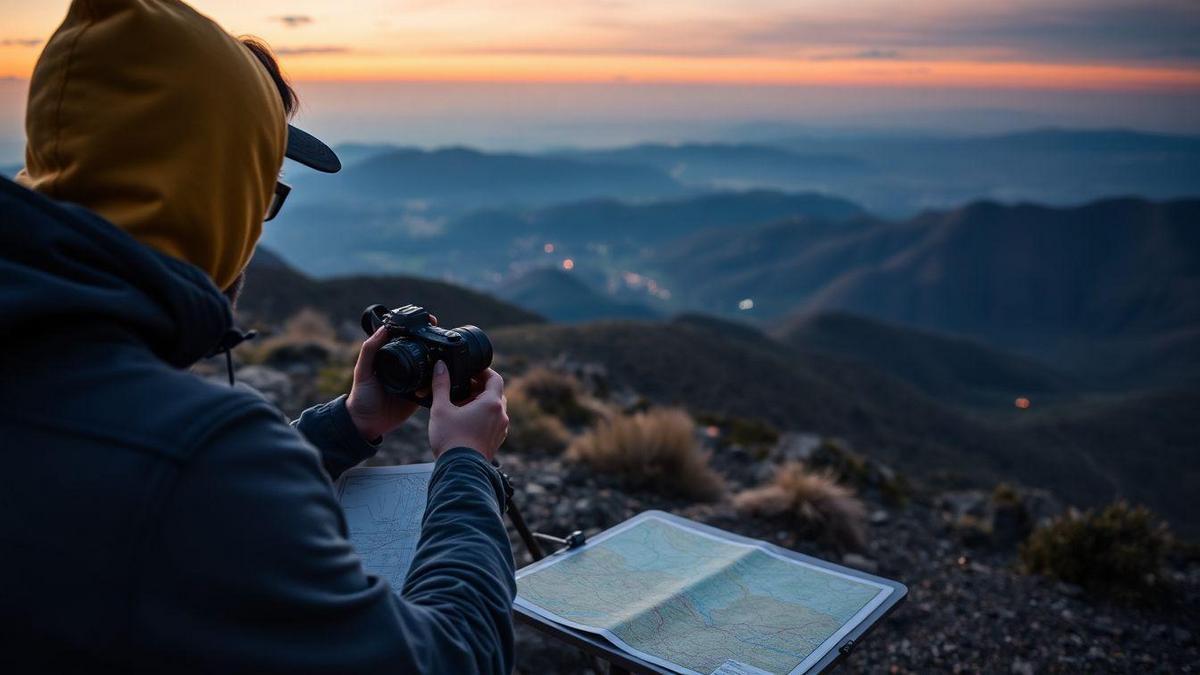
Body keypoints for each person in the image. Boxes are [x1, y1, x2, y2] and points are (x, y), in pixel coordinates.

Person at [0, 1, 514, 673]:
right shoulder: (200, 457)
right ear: (210, 195)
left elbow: (129, 477)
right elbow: (449, 660)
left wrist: (350, 424)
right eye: (260, 191)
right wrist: (466, 462)